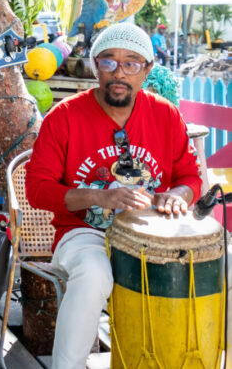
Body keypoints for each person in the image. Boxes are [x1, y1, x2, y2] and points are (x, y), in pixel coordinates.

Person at [24, 23, 202, 368]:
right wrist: (99, 197)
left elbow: (191, 177)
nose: (119, 73)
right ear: (94, 66)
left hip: (152, 235)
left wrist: (177, 195)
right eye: (109, 62)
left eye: (131, 63)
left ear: (147, 70)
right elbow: (37, 190)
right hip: (82, 233)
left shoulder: (165, 114)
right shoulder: (64, 117)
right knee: (94, 273)